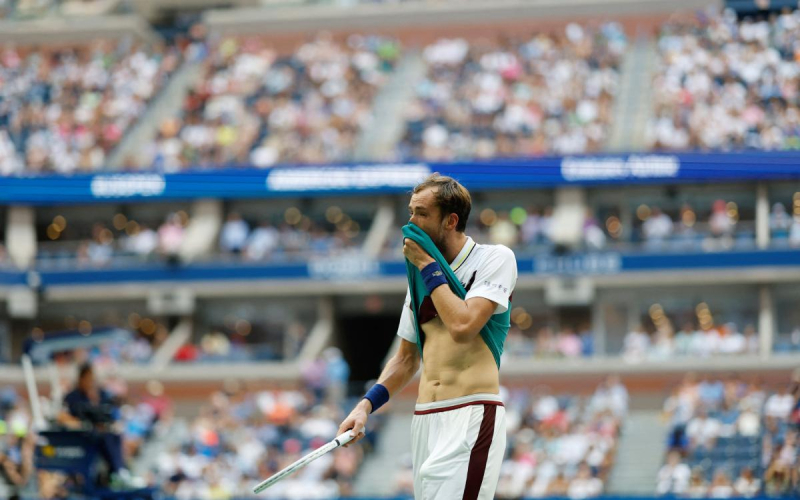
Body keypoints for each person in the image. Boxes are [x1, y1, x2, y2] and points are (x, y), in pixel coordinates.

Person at [337, 174, 518, 499]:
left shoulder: (495, 259)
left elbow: (463, 327)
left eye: (421, 213)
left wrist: (426, 264)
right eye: (411, 211)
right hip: (424, 420)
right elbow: (406, 358)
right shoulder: (420, 278)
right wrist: (365, 406)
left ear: (450, 220)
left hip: (472, 413)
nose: (411, 222)